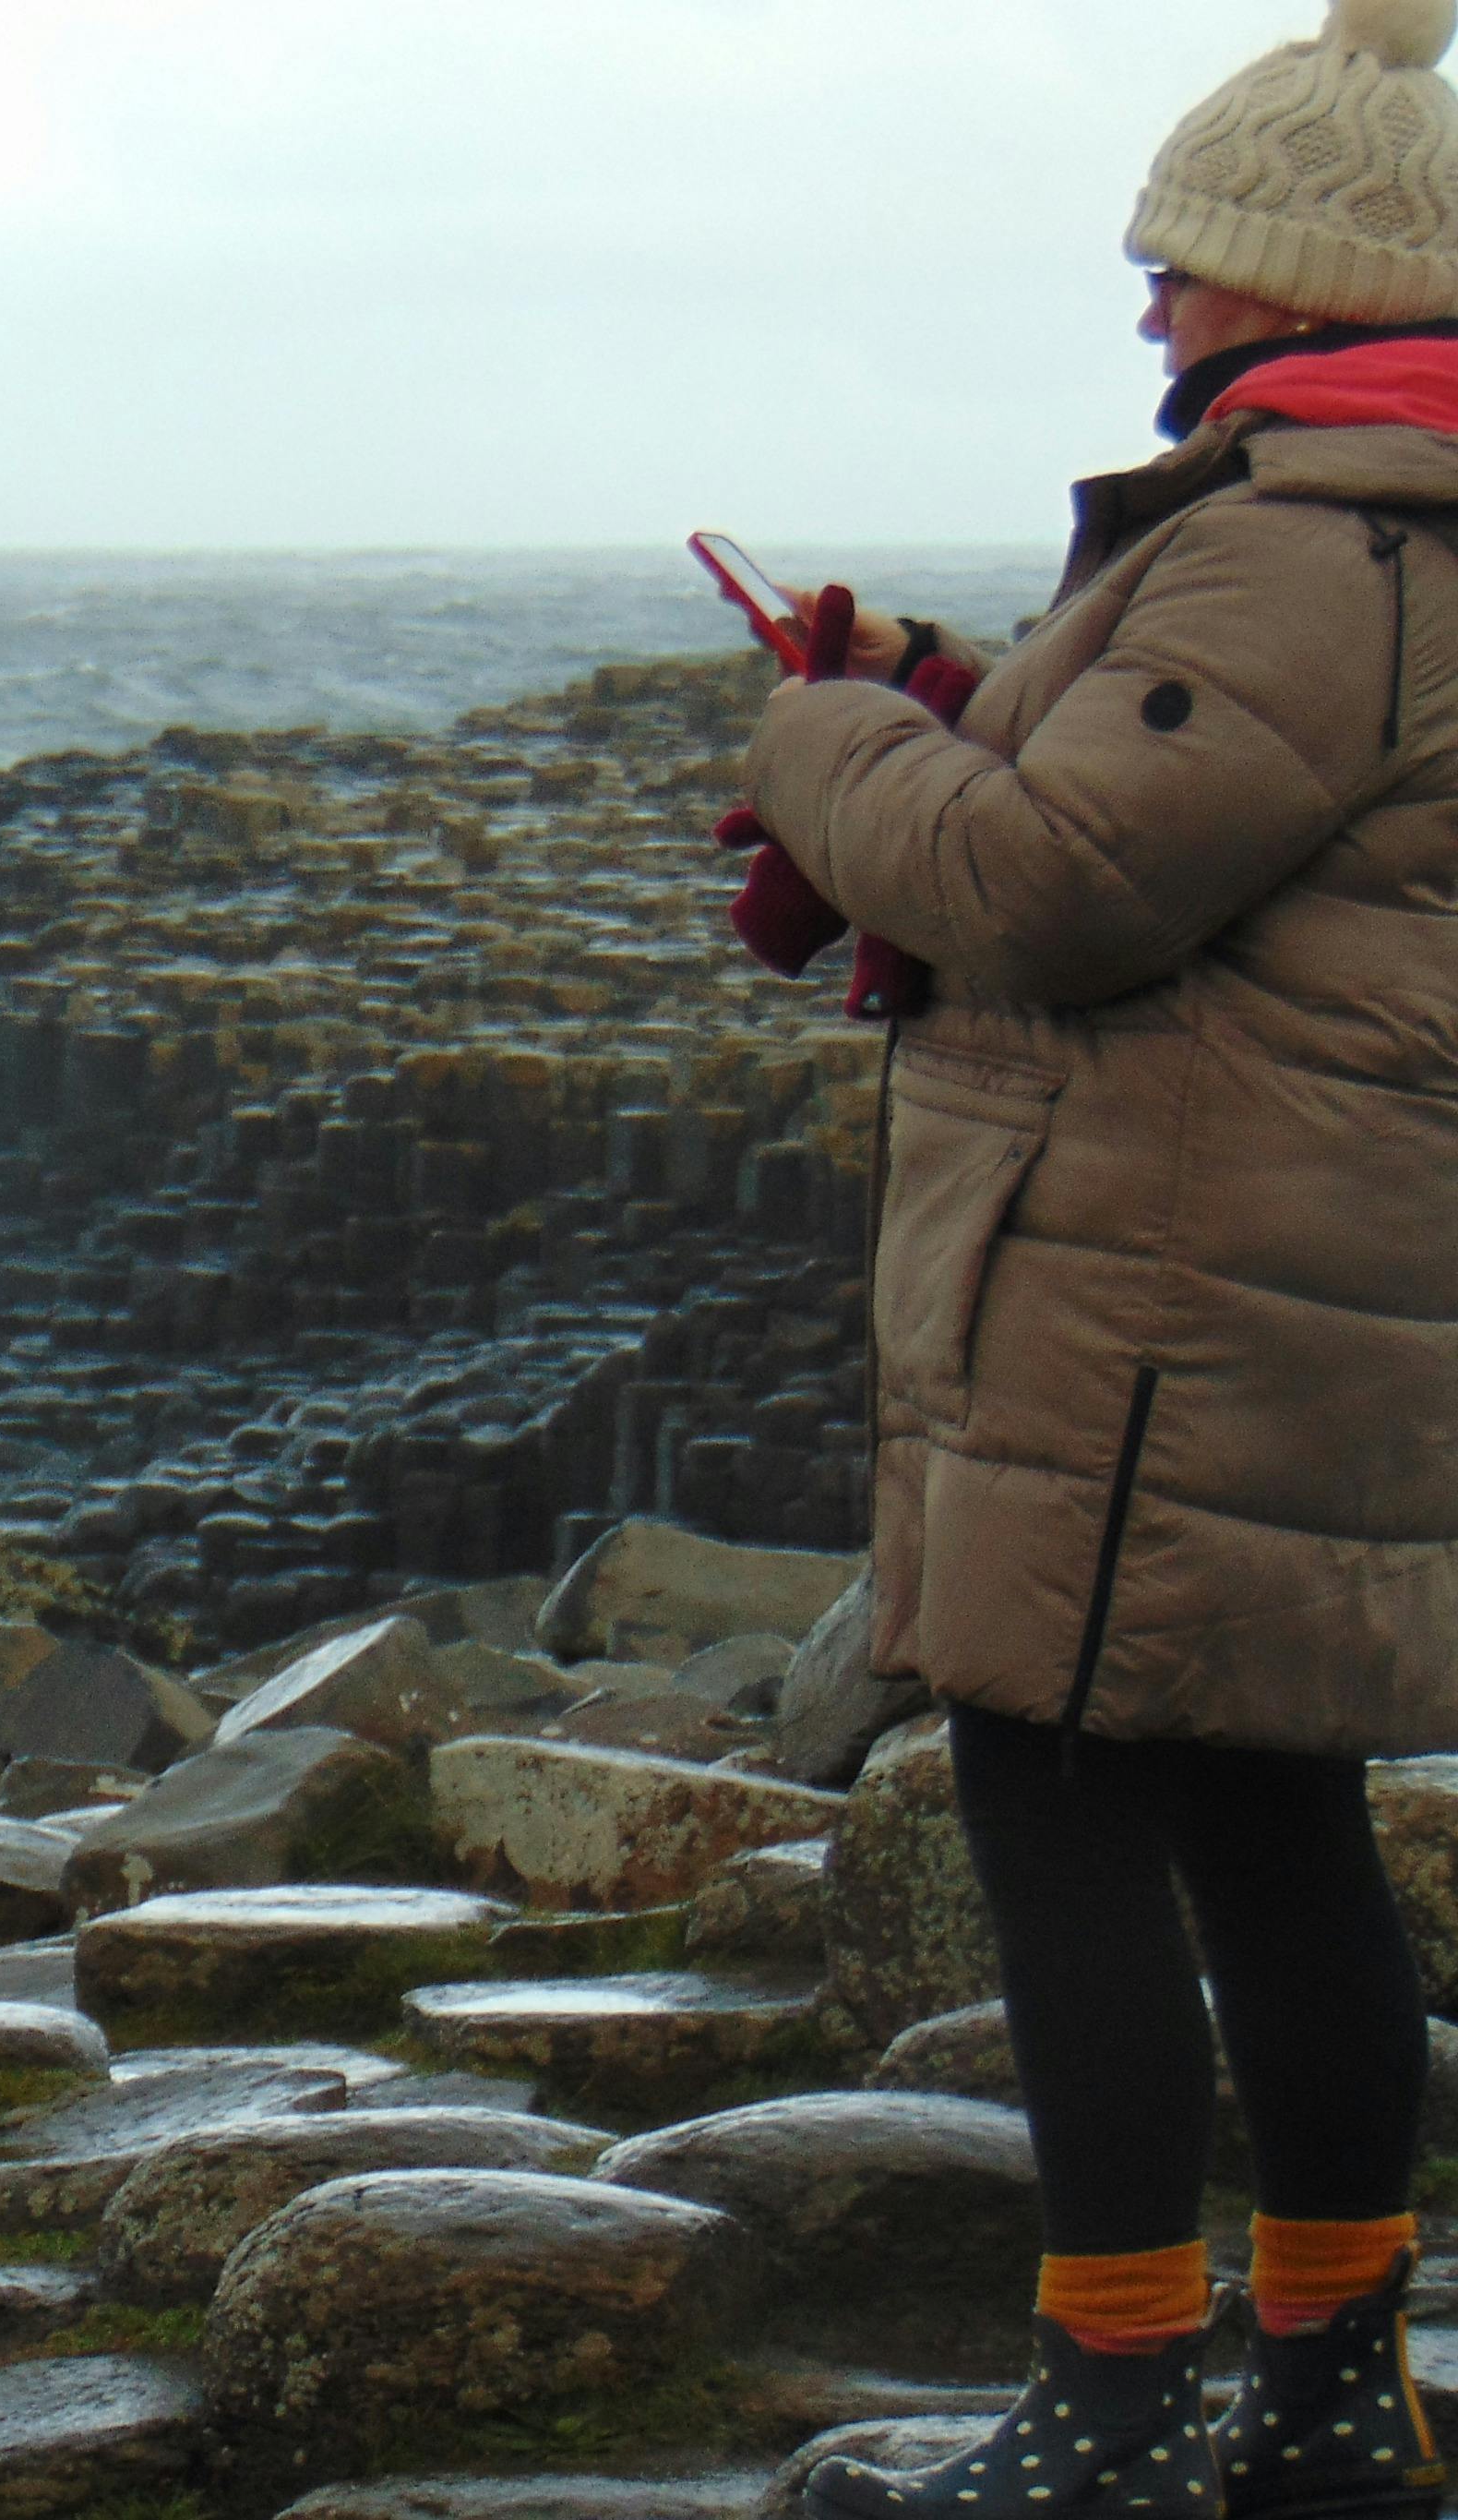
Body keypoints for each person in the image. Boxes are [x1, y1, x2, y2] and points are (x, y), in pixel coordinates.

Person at [734, 6, 1458, 2515]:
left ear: (1288, 272)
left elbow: (1049, 888)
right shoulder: (1384, 534)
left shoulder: (1302, 542)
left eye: (1173, 268)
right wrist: (965, 697)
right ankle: (1341, 2401)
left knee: (1064, 1806)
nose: (1146, 313)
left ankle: (1117, 2411)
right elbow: (1143, 800)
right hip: (1290, 1280)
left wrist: (828, 741)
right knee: (1277, 1817)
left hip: (1167, 1290)